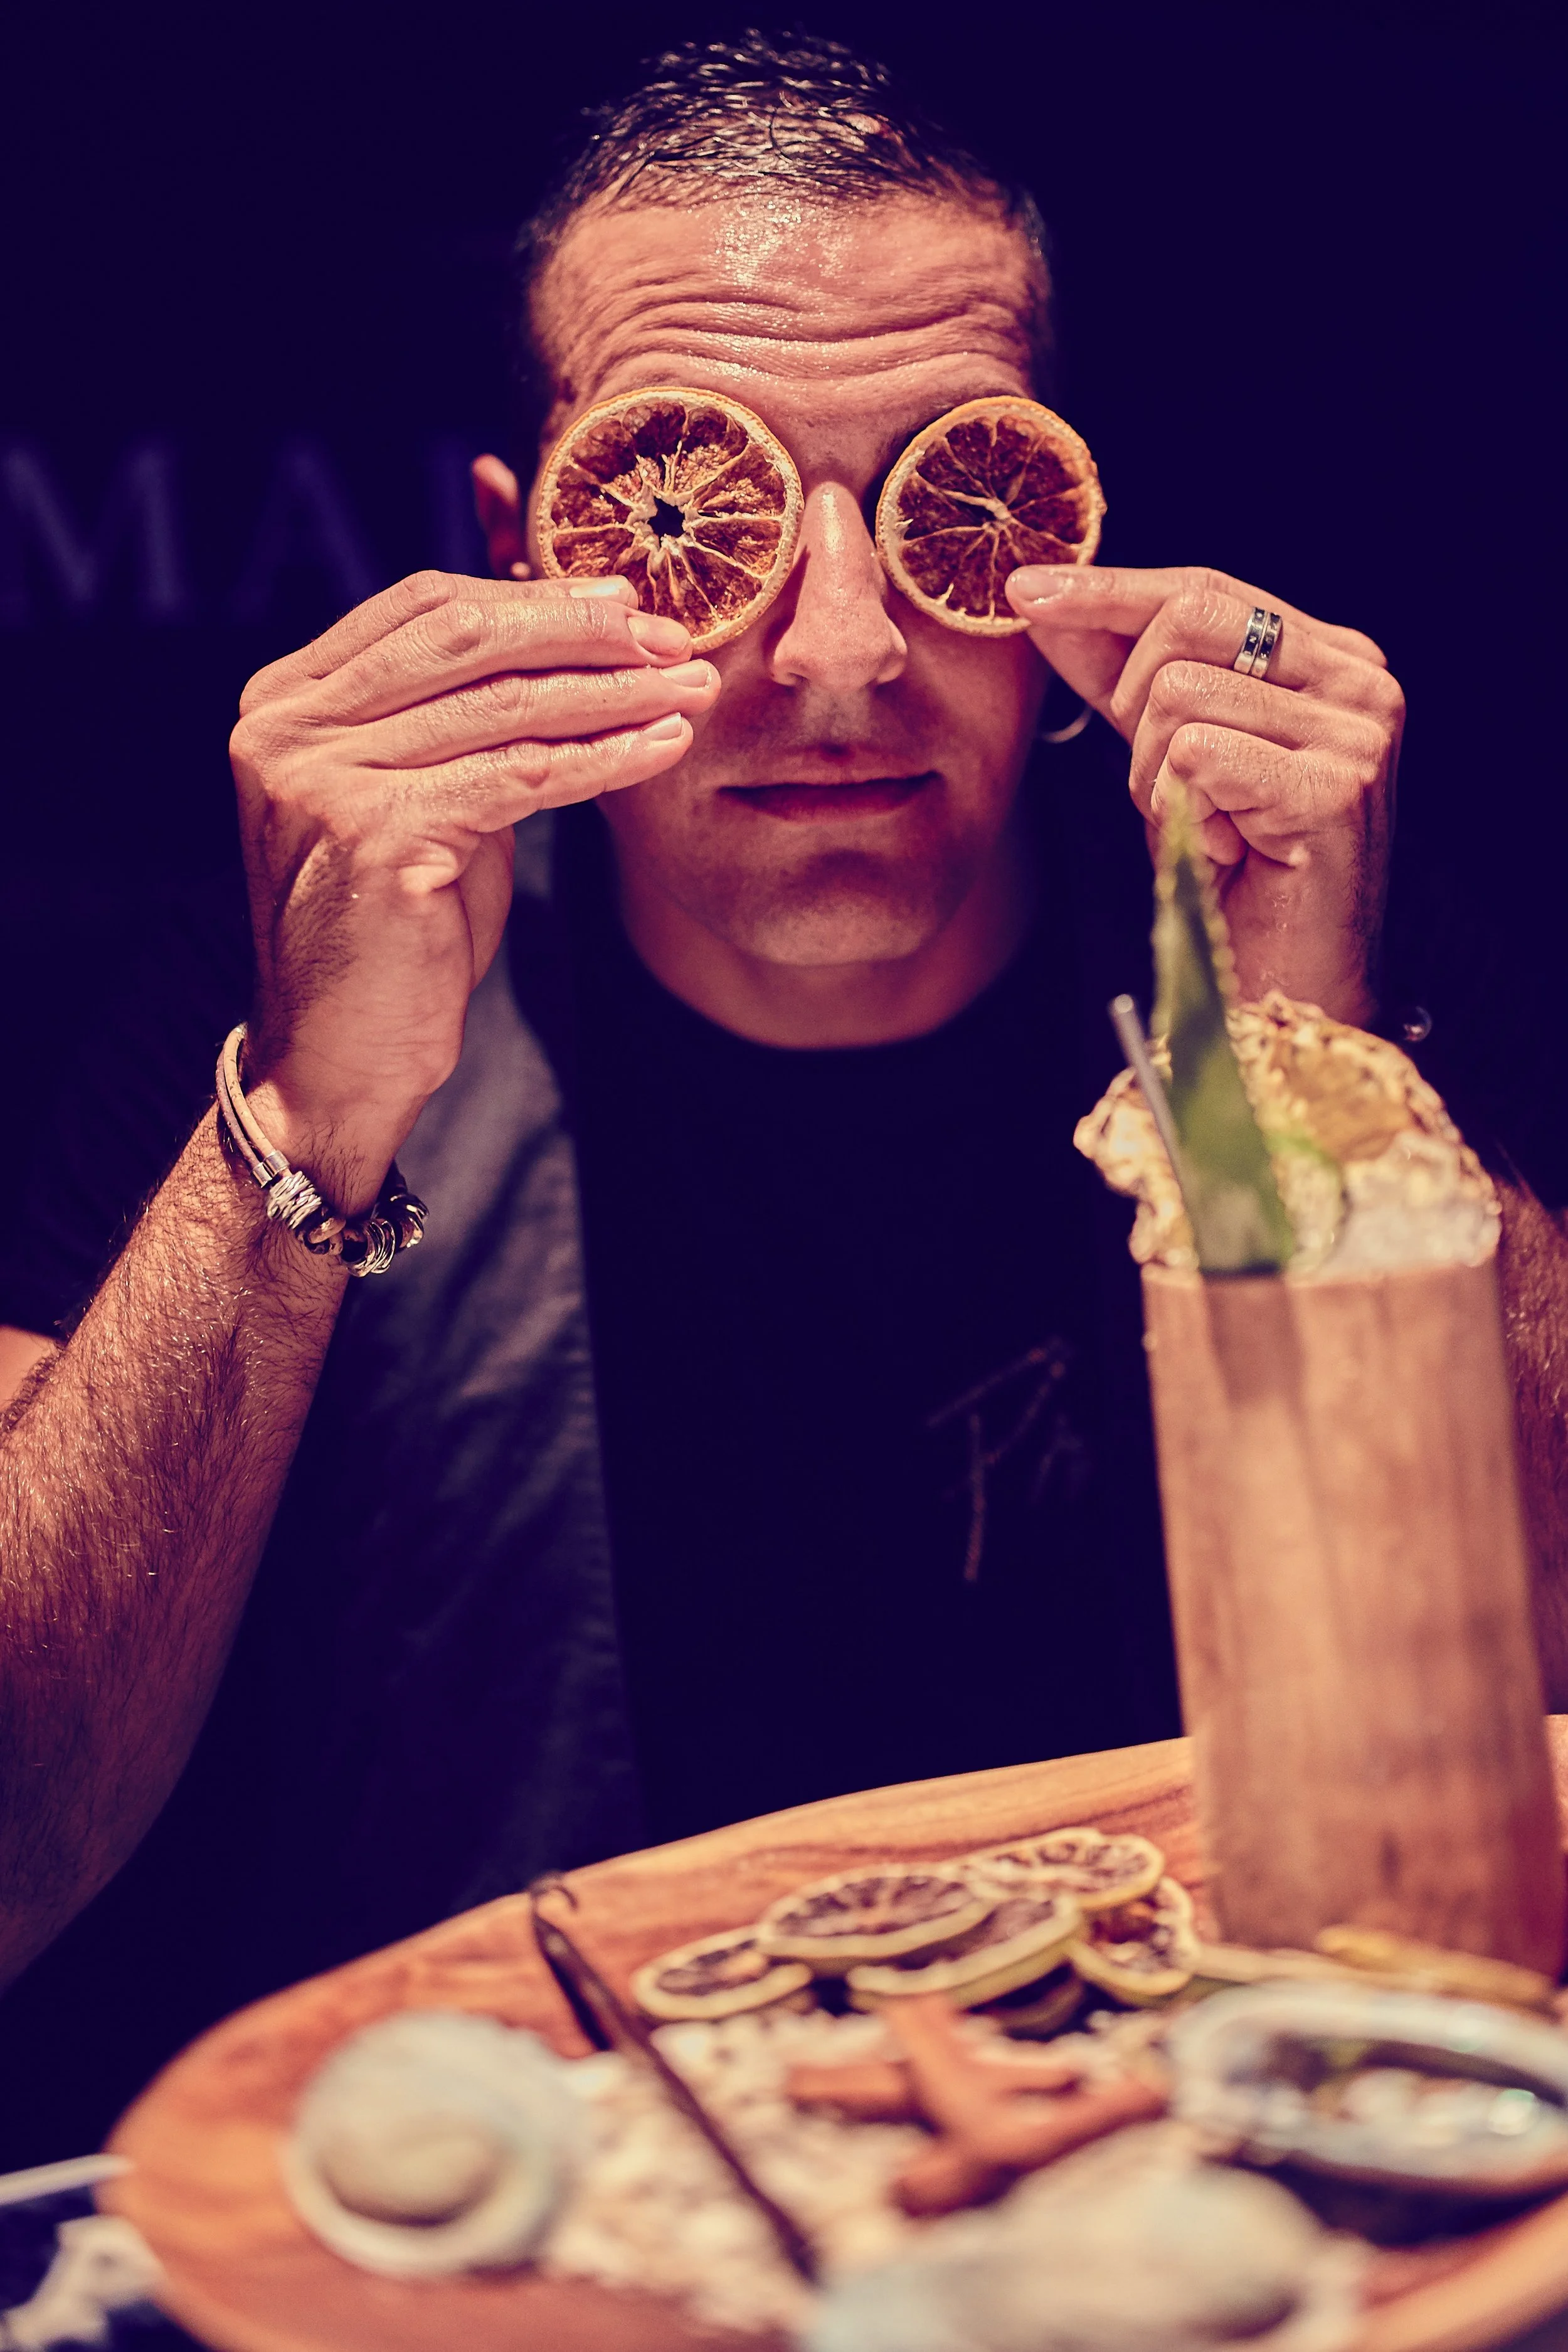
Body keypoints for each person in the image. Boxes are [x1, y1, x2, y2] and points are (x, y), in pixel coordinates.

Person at [0, 31, 1421, 2159]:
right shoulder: (278, 992)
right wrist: (300, 1128)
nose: (836, 650)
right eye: (695, 507)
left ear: (1056, 528)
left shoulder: (1296, 932)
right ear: (524, 540)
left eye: (950, 491)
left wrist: (1307, 1080)